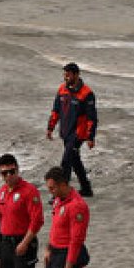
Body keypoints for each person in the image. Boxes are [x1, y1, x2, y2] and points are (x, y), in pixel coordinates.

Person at [46, 63, 97, 197]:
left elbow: (92, 118)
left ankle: (62, 194)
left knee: (66, 162)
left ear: (76, 74)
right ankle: (86, 188)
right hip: (65, 132)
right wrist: (50, 128)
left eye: (68, 75)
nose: (65, 77)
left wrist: (90, 137)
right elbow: (56, 111)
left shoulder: (87, 94)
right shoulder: (62, 90)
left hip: (77, 134)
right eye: (65, 74)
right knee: (75, 161)